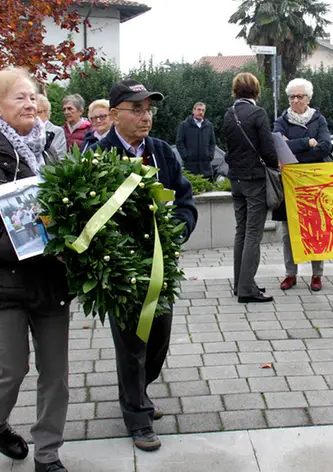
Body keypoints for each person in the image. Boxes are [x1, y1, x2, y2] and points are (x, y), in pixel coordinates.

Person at [0, 68, 72, 472]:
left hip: (50, 282)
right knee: (11, 369)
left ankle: (48, 454)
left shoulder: (50, 154)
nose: (30, 104)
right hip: (1, 286)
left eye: (33, 97)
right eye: (20, 98)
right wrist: (37, 247)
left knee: (55, 374)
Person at [89, 79, 197, 453]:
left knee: (158, 341)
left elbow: (185, 200)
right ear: (115, 113)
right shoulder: (97, 155)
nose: (145, 116)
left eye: (148, 109)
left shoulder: (162, 152)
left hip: (160, 266)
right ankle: (136, 416)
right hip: (119, 267)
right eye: (136, 109)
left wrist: (176, 233)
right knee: (131, 344)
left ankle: (141, 392)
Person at [222, 72, 278, 304]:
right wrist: (277, 164)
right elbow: (267, 148)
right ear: (256, 91)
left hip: (235, 179)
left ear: (236, 91)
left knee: (241, 231)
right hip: (255, 179)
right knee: (253, 233)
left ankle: (240, 283)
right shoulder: (258, 113)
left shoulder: (229, 113)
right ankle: (247, 289)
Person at [274, 78, 333, 292]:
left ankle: (317, 274)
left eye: (300, 96)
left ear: (308, 98)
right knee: (288, 232)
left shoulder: (319, 119)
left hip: (314, 183)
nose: (296, 100)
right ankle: (291, 273)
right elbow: (279, 146)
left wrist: (295, 150)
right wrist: (308, 142)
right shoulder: (281, 120)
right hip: (289, 184)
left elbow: (326, 146)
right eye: (292, 97)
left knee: (316, 229)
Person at [176, 102, 216, 180]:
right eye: (199, 110)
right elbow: (179, 142)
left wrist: (210, 155)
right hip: (190, 168)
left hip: (206, 168)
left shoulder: (209, 126)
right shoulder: (184, 125)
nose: (201, 112)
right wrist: (185, 156)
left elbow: (212, 143)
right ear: (193, 111)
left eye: (203, 110)